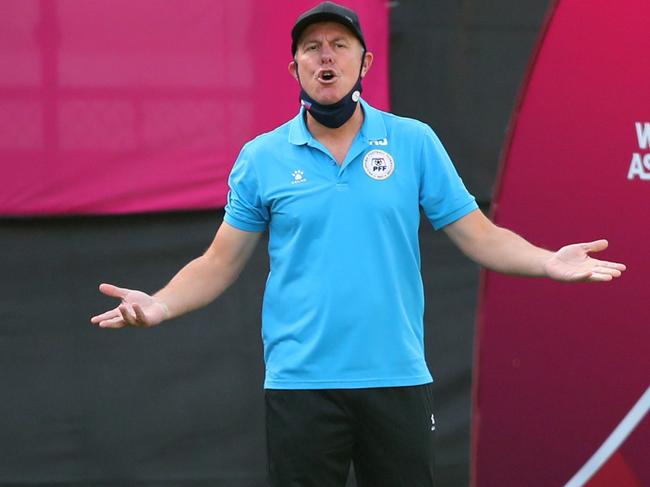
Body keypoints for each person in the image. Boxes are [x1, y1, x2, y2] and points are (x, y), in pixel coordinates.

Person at [91, 2, 626, 486]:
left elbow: (479, 235)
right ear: (295, 68)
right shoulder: (262, 158)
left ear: (364, 64)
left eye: (339, 45)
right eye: (311, 48)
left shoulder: (413, 141)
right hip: (301, 386)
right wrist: (158, 305)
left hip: (396, 380)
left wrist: (546, 261)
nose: (326, 57)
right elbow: (219, 262)